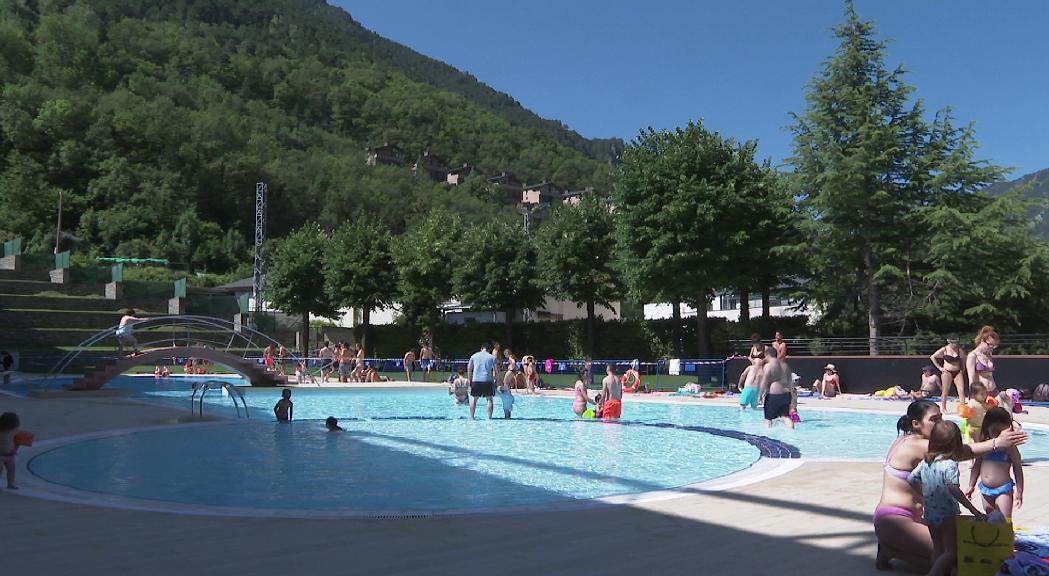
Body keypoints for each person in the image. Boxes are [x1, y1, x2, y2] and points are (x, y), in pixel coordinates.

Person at [873, 400, 1028, 572]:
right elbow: (962, 452)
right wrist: (997, 443)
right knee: (959, 557)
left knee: (951, 555)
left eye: (941, 418)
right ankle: (891, 549)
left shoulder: (904, 439)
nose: (940, 423)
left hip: (907, 519)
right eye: (934, 419)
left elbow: (914, 481)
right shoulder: (918, 446)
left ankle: (893, 548)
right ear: (916, 424)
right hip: (896, 521)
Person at [907, 420, 985, 576]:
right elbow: (953, 489)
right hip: (947, 514)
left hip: (930, 513)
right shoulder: (950, 465)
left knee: (938, 548)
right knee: (950, 551)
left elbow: (911, 479)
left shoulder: (926, 462)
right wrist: (973, 510)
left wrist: (924, 495)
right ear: (955, 443)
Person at [966, 407, 1024, 519]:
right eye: (994, 432)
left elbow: (1017, 469)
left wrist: (1019, 491)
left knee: (1004, 521)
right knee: (991, 519)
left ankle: (1006, 536)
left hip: (1003, 490)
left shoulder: (1009, 447)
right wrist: (971, 485)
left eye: (1000, 432)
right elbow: (976, 466)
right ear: (987, 428)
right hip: (985, 490)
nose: (997, 436)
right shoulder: (984, 444)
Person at [930, 335, 965, 412]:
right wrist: (939, 368)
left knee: (961, 390)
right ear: (949, 342)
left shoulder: (959, 350)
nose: (954, 345)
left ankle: (963, 408)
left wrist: (963, 369)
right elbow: (933, 357)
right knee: (945, 390)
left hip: (957, 371)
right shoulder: (945, 349)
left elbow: (963, 359)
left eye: (956, 343)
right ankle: (943, 407)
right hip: (947, 371)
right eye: (952, 343)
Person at [761, 356, 795, 429]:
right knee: (785, 416)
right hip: (786, 394)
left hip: (773, 395)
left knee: (768, 419)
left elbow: (764, 381)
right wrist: (792, 396)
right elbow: (790, 382)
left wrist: (760, 394)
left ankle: (767, 436)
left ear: (767, 355)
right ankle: (792, 433)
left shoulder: (769, 366)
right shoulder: (785, 366)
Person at [466, 342, 497, 420]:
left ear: (481, 348)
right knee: (489, 399)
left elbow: (469, 369)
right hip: (487, 380)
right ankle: (490, 417)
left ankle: (472, 417)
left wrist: (470, 380)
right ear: (489, 350)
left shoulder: (474, 356)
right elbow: (496, 371)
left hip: (476, 380)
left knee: (474, 399)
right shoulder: (492, 357)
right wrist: (495, 380)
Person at [966, 325, 998, 396]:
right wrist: (972, 395)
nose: (991, 347)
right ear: (982, 341)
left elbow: (991, 375)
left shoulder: (989, 354)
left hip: (994, 389)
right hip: (981, 392)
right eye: (990, 345)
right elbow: (971, 378)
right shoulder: (973, 355)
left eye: (994, 346)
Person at [1, 411, 22, 489]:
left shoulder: (15, 430)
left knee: (11, 470)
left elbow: (18, 440)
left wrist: (15, 449)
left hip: (9, 454)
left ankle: (10, 484)